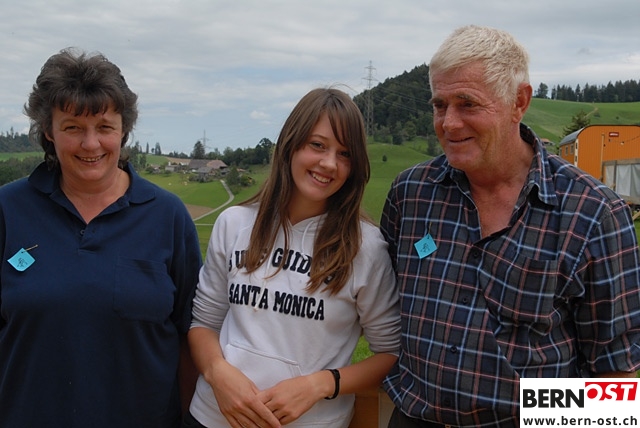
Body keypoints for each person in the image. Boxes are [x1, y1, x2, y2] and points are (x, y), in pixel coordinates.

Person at [380, 25, 640, 427]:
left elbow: (616, 378)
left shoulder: (591, 213)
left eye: (467, 104)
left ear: (519, 101)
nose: (449, 123)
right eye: (439, 105)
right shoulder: (411, 194)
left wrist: (525, 411)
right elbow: (380, 310)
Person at [0, 48, 202, 428]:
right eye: (73, 127)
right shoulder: (8, 209)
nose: (90, 144)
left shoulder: (168, 216)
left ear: (124, 130)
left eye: (105, 127)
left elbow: (193, 337)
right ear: (48, 130)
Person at [185, 87, 400, 428]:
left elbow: (391, 353)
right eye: (317, 145)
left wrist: (320, 385)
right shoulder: (234, 223)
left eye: (344, 154)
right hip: (212, 418)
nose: (329, 163)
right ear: (290, 144)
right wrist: (217, 372)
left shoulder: (366, 247)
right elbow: (203, 324)